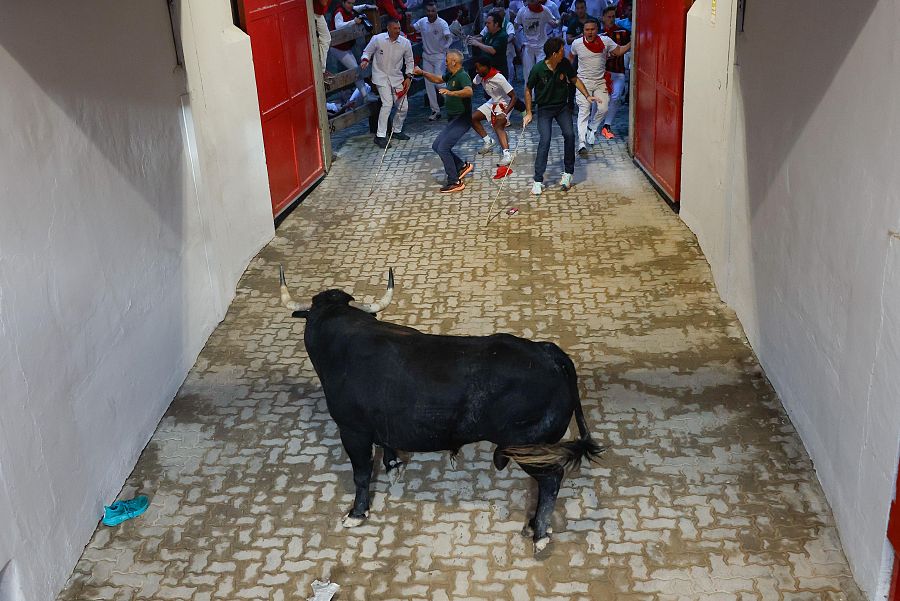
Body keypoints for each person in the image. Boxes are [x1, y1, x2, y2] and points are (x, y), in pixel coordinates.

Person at [524, 36, 597, 194]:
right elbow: (528, 90)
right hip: (544, 109)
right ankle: (538, 180)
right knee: (545, 140)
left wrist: (587, 95)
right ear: (554, 53)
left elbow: (575, 80)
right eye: (562, 50)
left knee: (570, 135)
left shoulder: (564, 64)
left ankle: (568, 173)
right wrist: (529, 112)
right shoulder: (538, 69)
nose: (565, 52)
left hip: (562, 107)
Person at [414, 50, 475, 193]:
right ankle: (461, 166)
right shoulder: (451, 75)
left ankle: (455, 181)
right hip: (453, 119)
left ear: (454, 61)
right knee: (436, 145)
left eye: (447, 60)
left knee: (443, 148)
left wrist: (451, 93)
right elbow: (437, 79)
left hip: (462, 119)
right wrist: (422, 72)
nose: (445, 62)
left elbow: (469, 91)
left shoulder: (462, 76)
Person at [568, 18, 629, 154]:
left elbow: (619, 51)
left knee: (604, 108)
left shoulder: (606, 41)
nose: (590, 32)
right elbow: (571, 57)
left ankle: (592, 127)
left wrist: (634, 41)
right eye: (587, 30)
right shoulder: (577, 43)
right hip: (583, 82)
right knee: (583, 112)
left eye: (592, 29)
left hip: (600, 82)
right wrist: (568, 73)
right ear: (583, 31)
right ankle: (582, 143)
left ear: (597, 30)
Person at [361, 18, 414, 148]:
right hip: (381, 76)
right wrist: (365, 59)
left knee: (404, 105)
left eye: (399, 28)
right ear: (389, 29)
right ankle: (380, 136)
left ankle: (396, 130)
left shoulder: (405, 43)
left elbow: (410, 61)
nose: (398, 31)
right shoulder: (377, 39)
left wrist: (409, 76)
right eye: (395, 29)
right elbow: (367, 51)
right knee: (387, 103)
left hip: (397, 78)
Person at [471, 55, 517, 165]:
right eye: (475, 68)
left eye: (478, 68)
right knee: (472, 118)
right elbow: (472, 86)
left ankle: (507, 155)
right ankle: (489, 141)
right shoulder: (480, 76)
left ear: (486, 67)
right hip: (492, 102)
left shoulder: (499, 78)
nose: (477, 71)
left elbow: (514, 97)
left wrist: (505, 114)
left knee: (498, 125)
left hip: (505, 104)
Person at [414, 2, 453, 121]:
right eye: (428, 11)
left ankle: (452, 107)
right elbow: (412, 28)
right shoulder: (422, 22)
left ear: (437, 11)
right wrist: (406, 18)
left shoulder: (442, 23)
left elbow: (449, 37)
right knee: (429, 84)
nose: (430, 13)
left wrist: (445, 48)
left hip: (439, 57)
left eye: (433, 11)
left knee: (439, 83)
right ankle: (435, 111)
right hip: (426, 57)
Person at [600, 4, 630, 138]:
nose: (611, 19)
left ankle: (607, 125)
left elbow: (632, 43)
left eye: (613, 16)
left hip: (618, 71)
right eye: (609, 17)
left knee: (616, 97)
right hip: (603, 72)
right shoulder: (599, 34)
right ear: (603, 18)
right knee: (600, 99)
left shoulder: (623, 33)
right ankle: (593, 124)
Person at [331, 0, 370, 103]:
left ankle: (364, 95)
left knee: (356, 69)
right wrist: (354, 21)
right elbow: (338, 26)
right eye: (349, 3)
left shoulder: (350, 8)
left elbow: (356, 8)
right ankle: (365, 96)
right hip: (338, 47)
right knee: (355, 69)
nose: (351, 6)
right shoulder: (339, 12)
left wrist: (367, 6)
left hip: (346, 47)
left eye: (352, 3)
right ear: (343, 2)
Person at [515, 0, 558, 78]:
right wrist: (520, 41)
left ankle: (542, 89)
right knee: (528, 73)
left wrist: (557, 22)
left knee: (542, 71)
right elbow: (516, 26)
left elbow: (554, 24)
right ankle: (529, 89)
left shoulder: (545, 10)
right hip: (528, 46)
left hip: (542, 46)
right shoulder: (522, 11)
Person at [468, 11, 509, 78]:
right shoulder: (490, 32)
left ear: (496, 24)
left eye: (489, 23)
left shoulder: (502, 35)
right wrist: (472, 38)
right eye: (486, 23)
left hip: (498, 70)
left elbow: (493, 50)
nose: (486, 25)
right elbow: (483, 39)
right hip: (488, 69)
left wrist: (477, 44)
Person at [313, 0, 333, 77]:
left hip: (317, 13)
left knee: (325, 39)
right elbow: (323, 2)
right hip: (314, 12)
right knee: (325, 39)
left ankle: (321, 69)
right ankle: (321, 70)